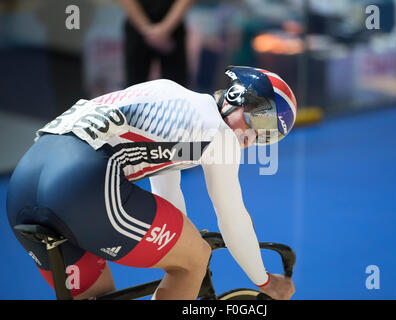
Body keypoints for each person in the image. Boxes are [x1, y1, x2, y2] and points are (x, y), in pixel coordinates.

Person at [6, 66, 297, 300]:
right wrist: (266, 281)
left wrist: (183, 236)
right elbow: (232, 219)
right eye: (260, 125)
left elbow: (166, 189)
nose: (254, 139)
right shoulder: (218, 134)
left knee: (99, 296)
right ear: (236, 98)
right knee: (195, 259)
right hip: (80, 185)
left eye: (268, 137)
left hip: (22, 184)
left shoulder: (170, 93)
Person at [119, 0, 194, 87]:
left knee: (176, 88)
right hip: (137, 27)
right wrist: (147, 30)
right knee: (134, 88)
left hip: (173, 28)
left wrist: (166, 29)